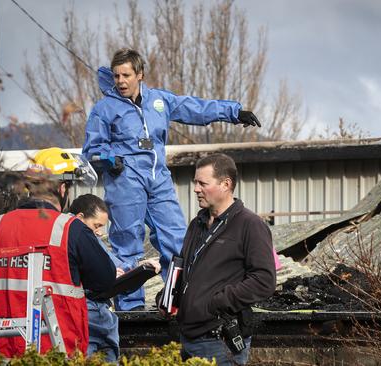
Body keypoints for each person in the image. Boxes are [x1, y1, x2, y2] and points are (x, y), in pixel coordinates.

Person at [82, 48, 262, 311]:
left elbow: (194, 108)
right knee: (128, 244)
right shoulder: (104, 108)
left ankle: (177, 299)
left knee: (178, 241)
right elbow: (91, 150)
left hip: (158, 180)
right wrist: (110, 159)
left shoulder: (158, 101)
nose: (120, 81)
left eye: (126, 75)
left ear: (139, 74)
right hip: (125, 181)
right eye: (117, 75)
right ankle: (130, 307)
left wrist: (234, 112)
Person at [0, 147, 116, 358]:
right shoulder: (71, 228)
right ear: (62, 188)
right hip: (59, 350)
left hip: (6, 352)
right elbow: (105, 280)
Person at [170, 153, 276, 365]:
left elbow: (264, 280)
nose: (195, 189)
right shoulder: (196, 224)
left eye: (202, 183)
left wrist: (216, 303)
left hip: (220, 340)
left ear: (226, 184)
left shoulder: (250, 225)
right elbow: (188, 270)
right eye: (195, 182)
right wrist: (170, 297)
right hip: (187, 337)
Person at [68, 194, 160, 362]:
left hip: (101, 313)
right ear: (80, 218)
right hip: (85, 312)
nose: (100, 232)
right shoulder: (70, 239)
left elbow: (115, 264)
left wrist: (139, 266)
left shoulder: (92, 239)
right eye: (97, 225)